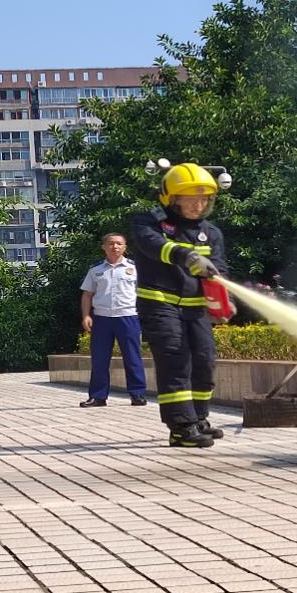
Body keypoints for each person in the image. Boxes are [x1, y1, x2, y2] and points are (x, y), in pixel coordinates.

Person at [131, 163, 228, 448]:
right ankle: (181, 428)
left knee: (204, 360)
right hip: (160, 304)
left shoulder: (211, 233)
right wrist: (185, 256)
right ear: (171, 198)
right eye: (191, 199)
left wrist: (224, 301)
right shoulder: (149, 222)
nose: (199, 205)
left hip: (196, 308)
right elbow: (152, 245)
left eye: (204, 199)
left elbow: (219, 269)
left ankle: (199, 419)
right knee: (175, 360)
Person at [79, 233, 148, 407]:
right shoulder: (96, 270)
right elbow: (87, 295)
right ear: (104, 247)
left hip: (128, 317)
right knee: (99, 359)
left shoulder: (135, 268)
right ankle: (98, 396)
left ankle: (137, 394)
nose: (114, 247)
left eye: (119, 243)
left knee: (132, 357)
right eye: (110, 243)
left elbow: (145, 294)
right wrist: (86, 315)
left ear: (125, 247)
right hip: (102, 319)